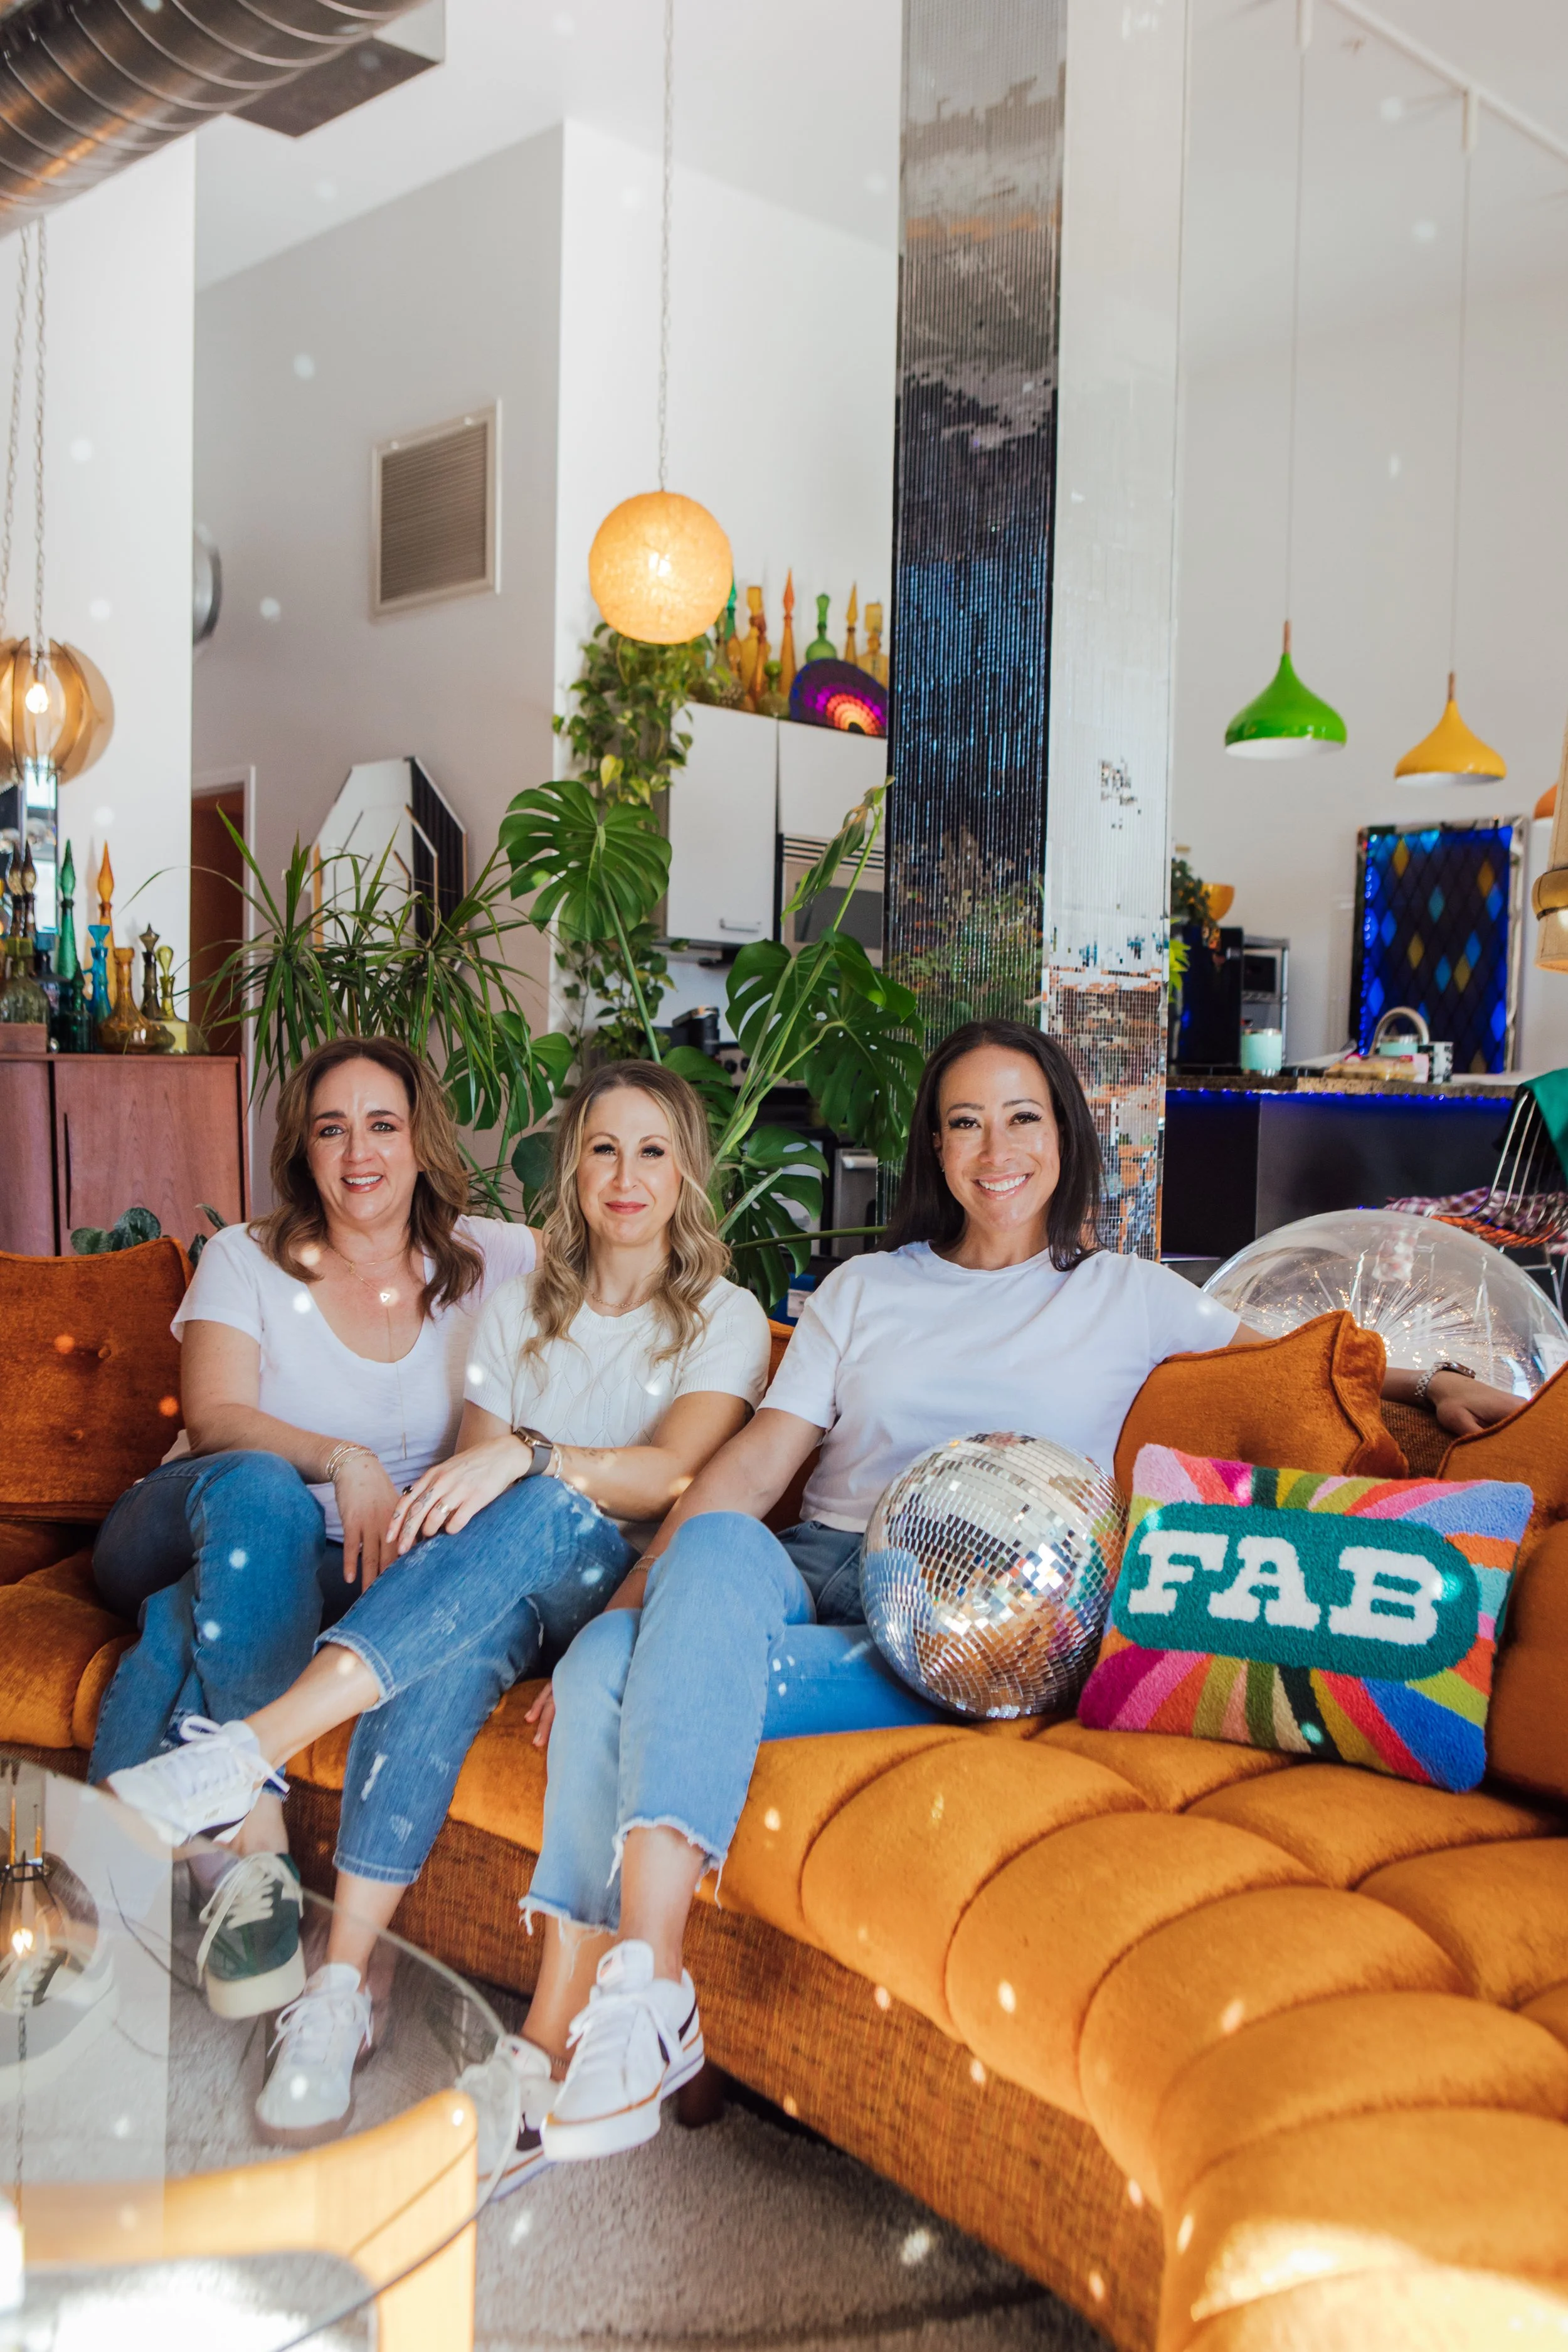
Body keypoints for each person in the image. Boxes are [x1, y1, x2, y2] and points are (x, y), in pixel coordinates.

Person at [107, 1057, 771, 2155]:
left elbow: (671, 1477)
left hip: (626, 1588)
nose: (625, 1173)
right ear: (572, 1167)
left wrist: (536, 1454)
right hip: (507, 1576)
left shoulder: (722, 1315)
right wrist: (492, 1479)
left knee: (549, 1505)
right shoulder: (514, 1303)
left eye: (654, 1150)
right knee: (445, 1653)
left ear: (688, 1174)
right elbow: (470, 1490)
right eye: (603, 1146)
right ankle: (335, 1984)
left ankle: (248, 1750)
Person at [90, 1034, 536, 2021]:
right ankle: (257, 1837)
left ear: (421, 1141)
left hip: (332, 1571)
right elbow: (211, 1416)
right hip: (182, 1516)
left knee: (182, 1621)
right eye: (332, 1128)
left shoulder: (498, 1259)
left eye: (382, 1124)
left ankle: (102, 1893)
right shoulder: (246, 1258)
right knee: (263, 1491)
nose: (358, 1151)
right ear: (304, 1147)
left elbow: (624, 1305)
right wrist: (344, 1456)